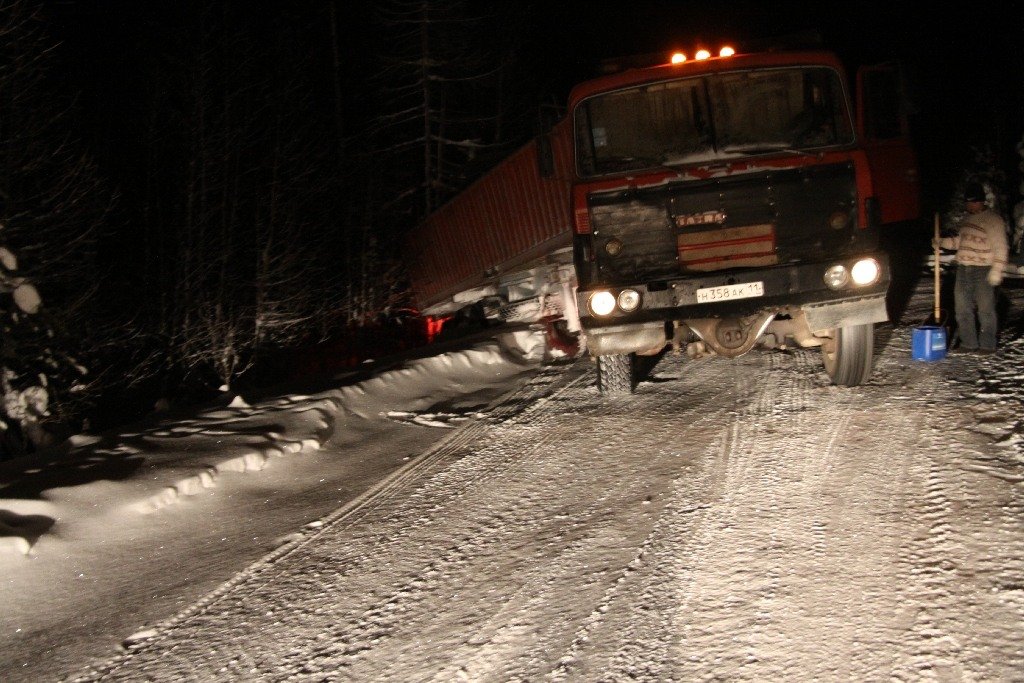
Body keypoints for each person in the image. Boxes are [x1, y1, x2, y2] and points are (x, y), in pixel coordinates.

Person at [934, 182, 1009, 354]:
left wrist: (997, 270)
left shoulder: (993, 220)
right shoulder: (967, 220)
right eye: (968, 202)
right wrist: (942, 242)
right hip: (964, 269)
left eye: (974, 202)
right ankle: (968, 343)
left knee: (985, 310)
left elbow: (1000, 247)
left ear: (982, 201)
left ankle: (987, 345)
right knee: (962, 309)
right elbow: (960, 242)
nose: (970, 205)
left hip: (983, 269)